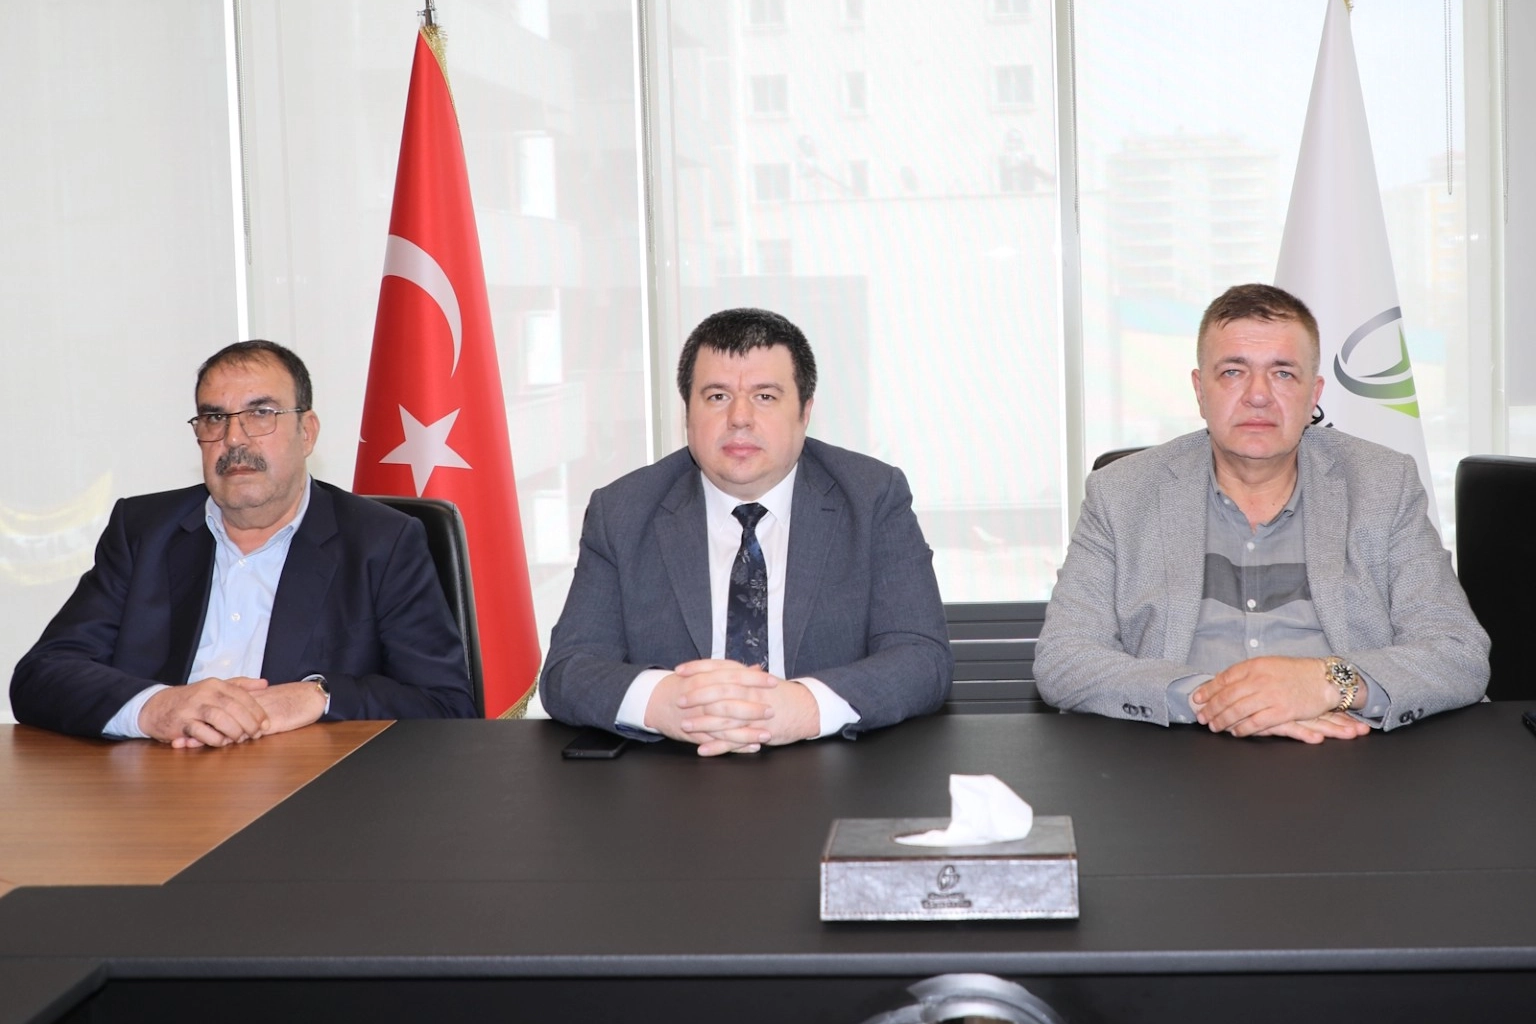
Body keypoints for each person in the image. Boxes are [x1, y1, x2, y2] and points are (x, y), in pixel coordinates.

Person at [1035, 283, 1488, 742]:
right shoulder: (1121, 493)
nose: (1258, 395)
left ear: (1313, 394)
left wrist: (1324, 682)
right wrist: (1220, 701)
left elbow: (1458, 651)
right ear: (1200, 391)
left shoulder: (1383, 484)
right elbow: (1065, 659)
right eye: (1233, 372)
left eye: (1283, 374)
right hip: (1178, 755)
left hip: (1350, 754)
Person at [10, 340, 476, 745]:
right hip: (158, 785)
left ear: (307, 432)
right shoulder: (144, 531)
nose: (234, 438)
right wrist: (155, 707)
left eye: (261, 414)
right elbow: (41, 675)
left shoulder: (381, 541)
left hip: (307, 791)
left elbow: (446, 706)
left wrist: (318, 695)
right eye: (214, 417)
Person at [539, 308, 952, 755]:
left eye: (765, 396)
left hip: (830, 767)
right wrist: (667, 702)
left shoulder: (872, 498)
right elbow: (568, 670)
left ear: (805, 412)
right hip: (671, 773)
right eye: (717, 396)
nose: (739, 417)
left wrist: (802, 706)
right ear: (687, 413)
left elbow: (921, 657)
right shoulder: (622, 511)